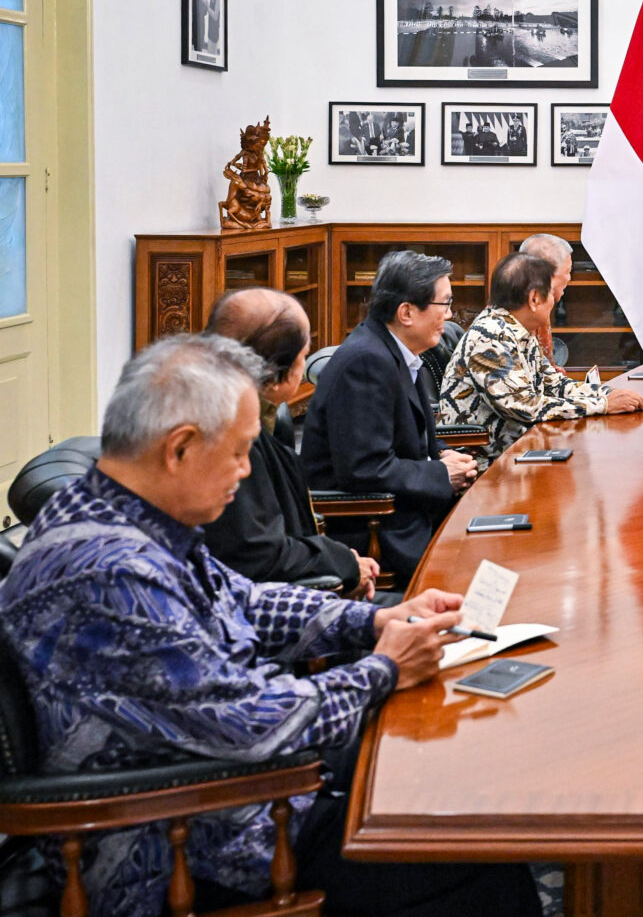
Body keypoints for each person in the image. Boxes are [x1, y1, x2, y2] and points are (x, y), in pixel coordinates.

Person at [0, 335, 541, 917]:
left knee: (450, 777)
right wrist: (385, 668)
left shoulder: (116, 511)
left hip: (219, 786)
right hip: (180, 836)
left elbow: (245, 601)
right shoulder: (111, 572)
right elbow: (250, 722)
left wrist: (375, 619)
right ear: (180, 448)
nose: (243, 473)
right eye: (238, 452)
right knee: (476, 845)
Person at [302, 251, 479, 578]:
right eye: (445, 303)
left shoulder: (392, 350)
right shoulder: (366, 362)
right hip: (378, 526)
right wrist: (440, 474)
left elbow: (400, 437)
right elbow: (365, 468)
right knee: (485, 559)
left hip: (408, 508)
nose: (451, 314)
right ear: (407, 312)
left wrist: (443, 455)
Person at [201, 288, 380, 598]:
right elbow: (256, 553)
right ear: (278, 371)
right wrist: (343, 565)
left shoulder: (243, 416)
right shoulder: (229, 437)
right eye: (303, 354)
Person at [438, 253, 643, 459]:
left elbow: (555, 384)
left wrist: (609, 393)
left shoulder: (517, 330)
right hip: (485, 464)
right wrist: (603, 405)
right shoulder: (490, 337)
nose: (556, 300)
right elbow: (525, 407)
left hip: (524, 448)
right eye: (551, 294)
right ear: (535, 299)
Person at [518, 231, 574, 367]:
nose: (569, 278)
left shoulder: (537, 310)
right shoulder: (497, 336)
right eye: (567, 272)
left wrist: (607, 390)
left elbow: (547, 376)